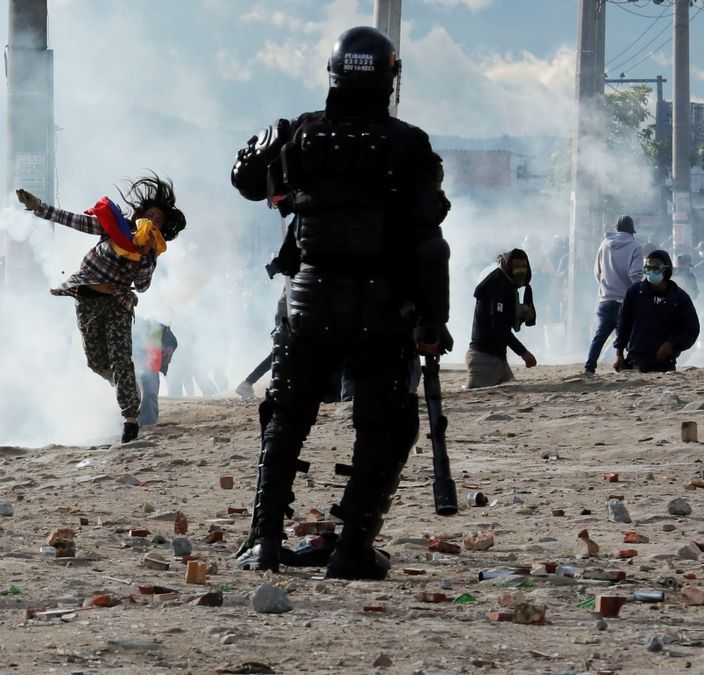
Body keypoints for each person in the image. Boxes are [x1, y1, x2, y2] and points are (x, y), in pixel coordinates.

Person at [229, 26, 451, 579]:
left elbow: (246, 180)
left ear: (334, 75)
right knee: (386, 425)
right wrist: (434, 318)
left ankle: (264, 541)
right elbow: (430, 241)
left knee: (286, 416)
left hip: (310, 298)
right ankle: (353, 547)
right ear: (389, 78)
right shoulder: (408, 143)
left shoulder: (302, 135)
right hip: (383, 305)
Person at [16, 177, 186, 442]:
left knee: (121, 359)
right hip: (87, 298)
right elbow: (76, 221)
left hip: (117, 303)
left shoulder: (150, 254)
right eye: (150, 215)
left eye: (159, 222)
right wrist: (40, 207)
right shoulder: (114, 227)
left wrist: (144, 254)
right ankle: (127, 388)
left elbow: (141, 286)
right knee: (96, 361)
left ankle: (131, 418)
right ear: (140, 214)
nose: (153, 221)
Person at [614, 250, 700, 373]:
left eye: (656, 267)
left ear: (666, 269)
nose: (652, 271)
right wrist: (619, 353)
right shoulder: (635, 292)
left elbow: (692, 329)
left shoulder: (679, 297)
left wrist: (673, 344)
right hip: (636, 361)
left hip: (665, 364)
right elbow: (623, 323)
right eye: (648, 267)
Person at [465, 249, 537, 389]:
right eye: (516, 267)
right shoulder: (498, 284)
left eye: (523, 267)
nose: (520, 271)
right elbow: (499, 326)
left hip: (498, 359)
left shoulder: (506, 283)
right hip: (484, 359)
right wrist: (523, 352)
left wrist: (520, 314)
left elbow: (502, 317)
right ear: (508, 266)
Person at [584, 216, 643, 374]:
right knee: (628, 335)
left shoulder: (604, 244)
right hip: (625, 300)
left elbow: (597, 272)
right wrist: (638, 294)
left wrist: (606, 286)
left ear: (617, 229)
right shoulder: (635, 247)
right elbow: (635, 276)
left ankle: (589, 367)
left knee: (600, 335)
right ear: (632, 231)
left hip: (605, 299)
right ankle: (627, 365)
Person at [133, 319, 178, 425]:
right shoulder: (130, 319)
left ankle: (148, 423)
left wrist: (170, 347)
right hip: (132, 364)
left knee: (150, 393)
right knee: (131, 393)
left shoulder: (156, 320)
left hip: (151, 366)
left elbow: (170, 337)